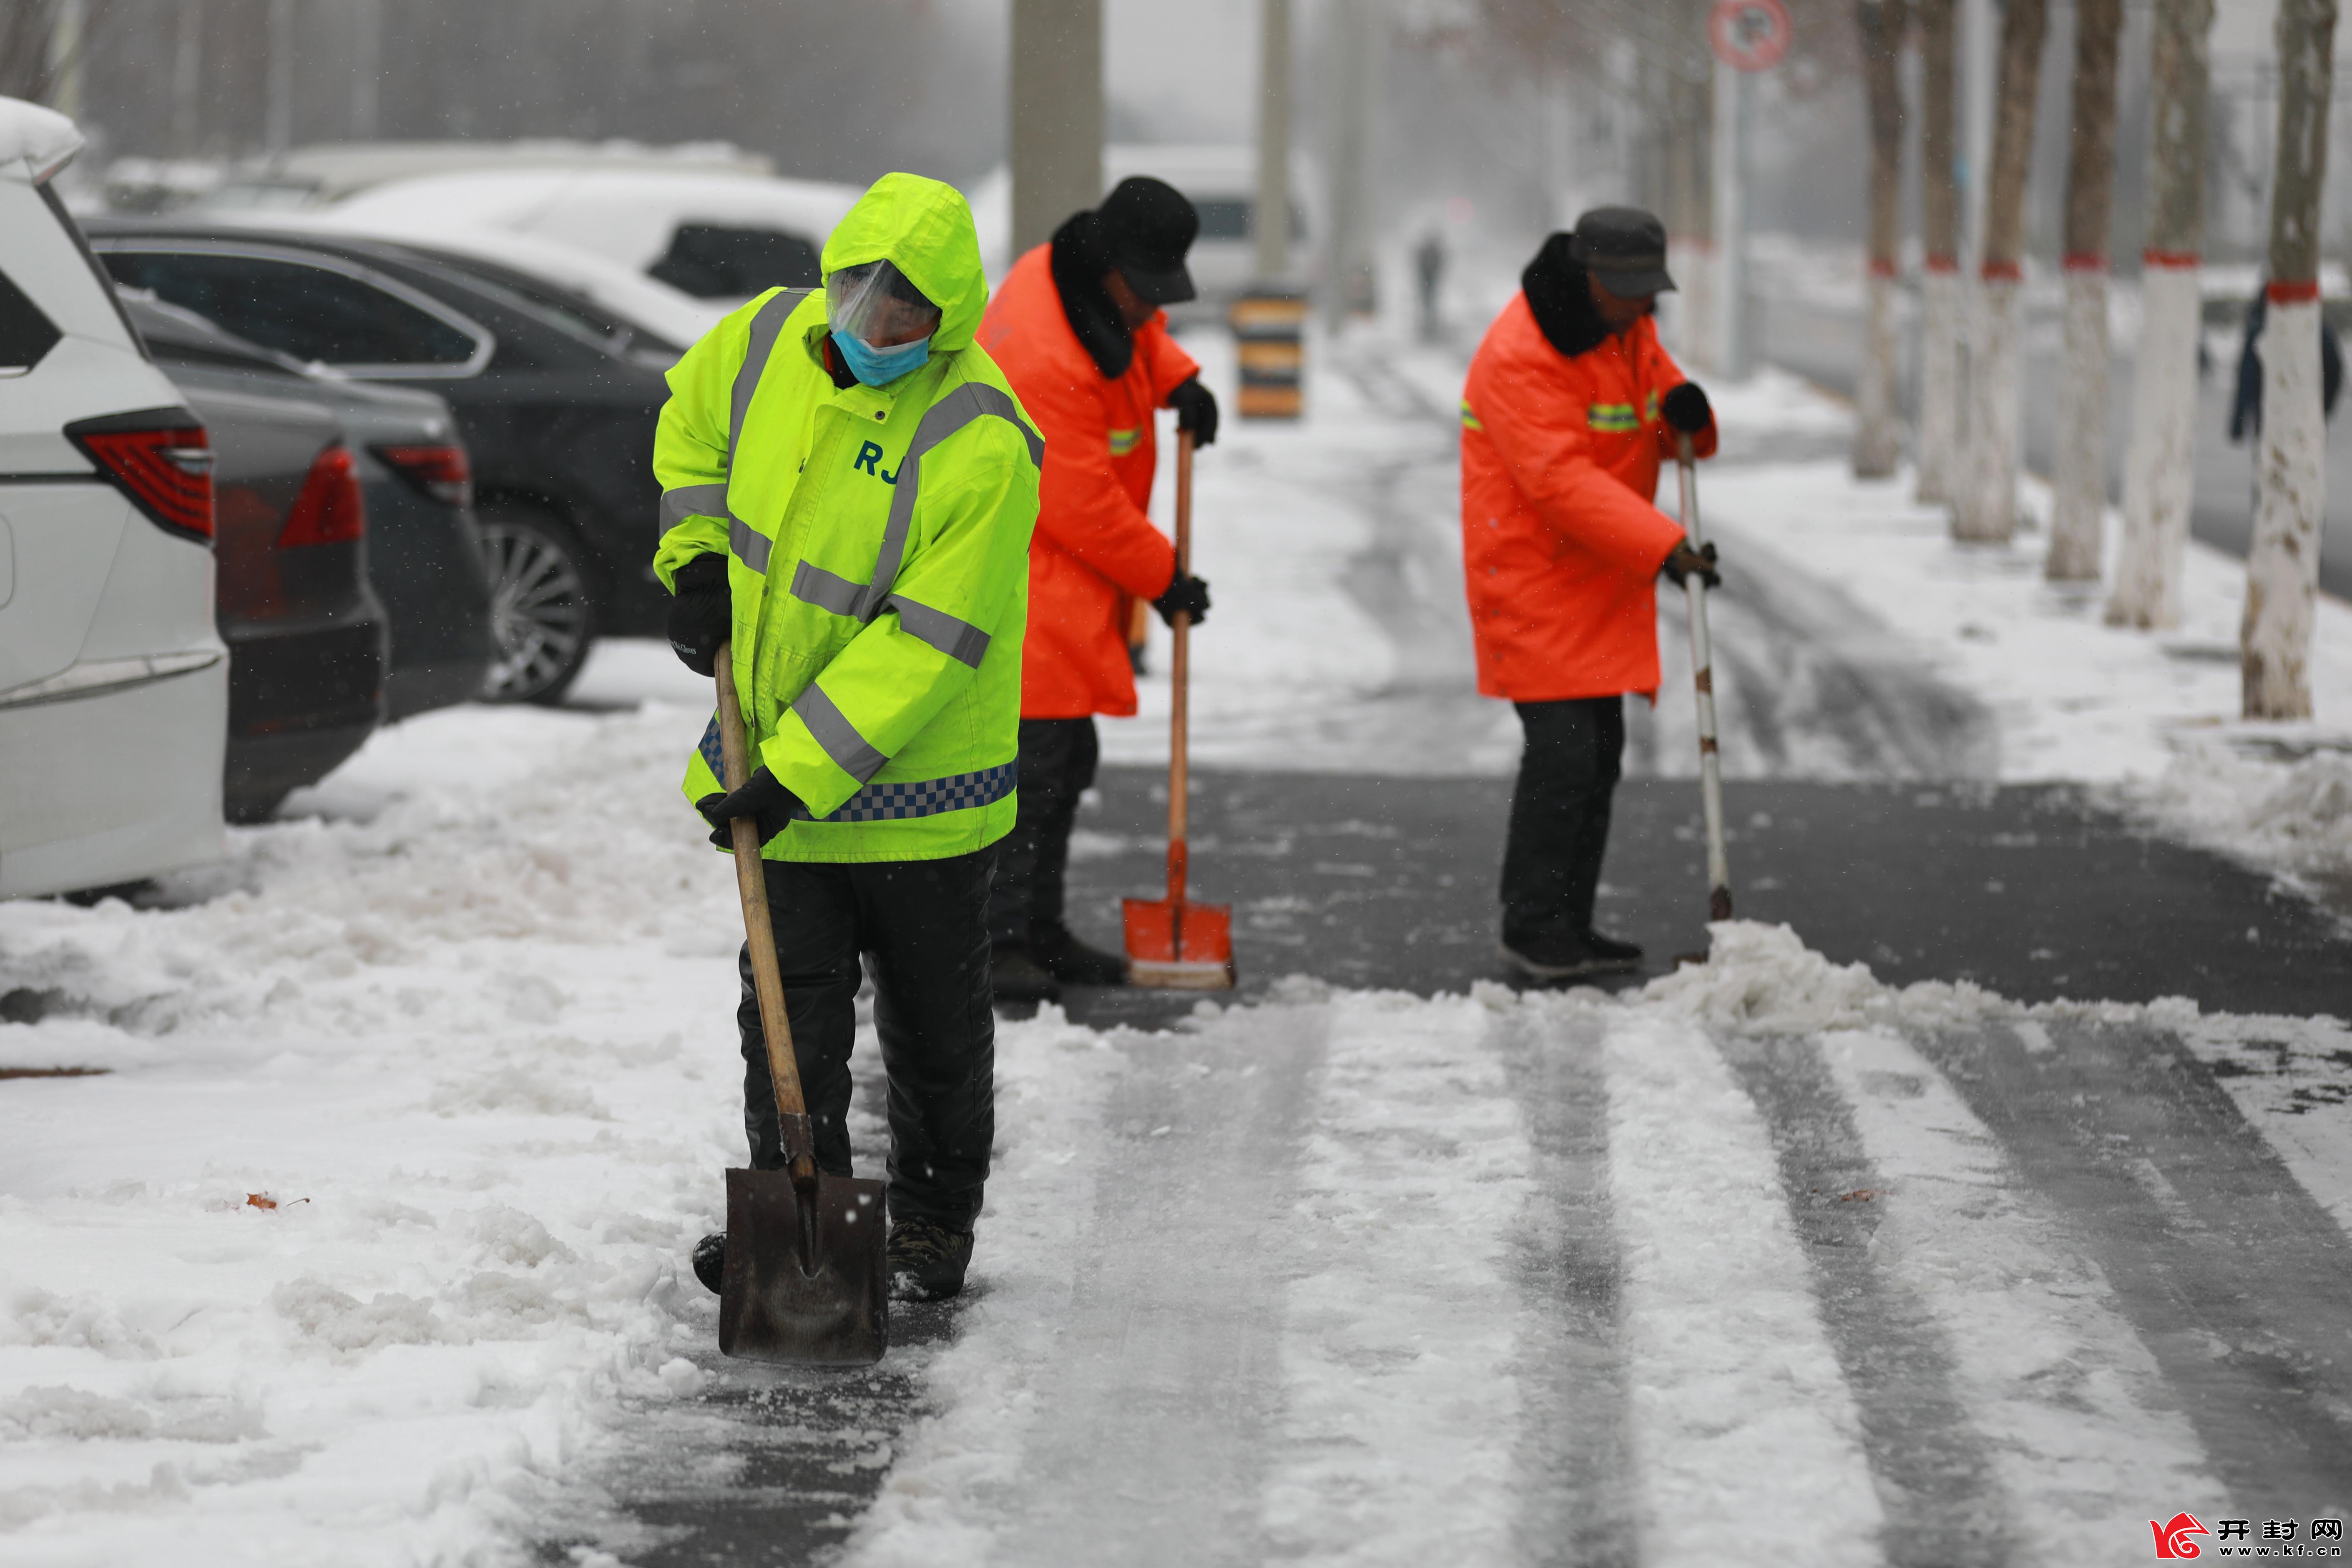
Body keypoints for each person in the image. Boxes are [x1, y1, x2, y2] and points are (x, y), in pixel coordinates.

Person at [654, 173, 1043, 1303]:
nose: (870, 328)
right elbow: (690, 427)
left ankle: (930, 1226)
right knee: (786, 1012)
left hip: (922, 800)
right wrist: (696, 564)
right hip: (775, 770)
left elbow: (924, 645)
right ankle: (800, 1215)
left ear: (949, 318)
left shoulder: (982, 439)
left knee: (930, 1025)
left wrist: (791, 776)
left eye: (902, 314)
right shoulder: (770, 333)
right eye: (857, 294)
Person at [1458, 206, 1721, 981]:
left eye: (1651, 294)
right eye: (1631, 292)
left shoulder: (1629, 328)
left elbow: (1667, 410)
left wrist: (1691, 415)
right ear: (1589, 276)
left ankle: (1568, 920)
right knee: (1565, 754)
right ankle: (1532, 925)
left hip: (1598, 576)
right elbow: (1559, 483)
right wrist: (1665, 546)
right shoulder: (1520, 354)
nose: (1646, 309)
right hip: (1533, 577)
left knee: (1599, 754)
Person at [974, 176, 1218, 1006]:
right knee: (1027, 776)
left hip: (1070, 590)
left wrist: (1178, 379)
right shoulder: (1040, 348)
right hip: (1026, 587)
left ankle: (1040, 930)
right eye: (1145, 289)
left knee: (1064, 765)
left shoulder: (1080, 279)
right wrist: (1168, 578)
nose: (1154, 310)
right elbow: (1079, 500)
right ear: (1109, 263)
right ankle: (1000, 940)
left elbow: (1139, 339)